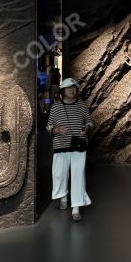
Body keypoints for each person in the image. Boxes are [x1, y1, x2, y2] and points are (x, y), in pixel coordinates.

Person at [46, 77, 93, 221]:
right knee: (60, 174)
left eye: (74, 88)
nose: (72, 90)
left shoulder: (83, 106)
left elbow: (90, 122)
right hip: (61, 144)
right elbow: (48, 126)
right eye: (68, 88)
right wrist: (56, 130)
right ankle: (64, 197)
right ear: (63, 91)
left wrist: (87, 128)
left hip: (78, 145)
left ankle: (76, 208)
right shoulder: (55, 107)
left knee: (78, 176)